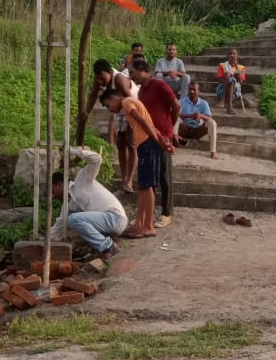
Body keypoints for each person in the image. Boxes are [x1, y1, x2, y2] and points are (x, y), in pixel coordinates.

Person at [102, 90, 173, 238]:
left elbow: (143, 122)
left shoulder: (127, 102)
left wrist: (156, 141)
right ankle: (139, 224)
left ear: (113, 98)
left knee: (147, 186)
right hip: (145, 144)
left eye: (107, 105)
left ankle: (148, 225)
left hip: (147, 144)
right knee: (143, 186)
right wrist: (161, 139)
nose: (109, 109)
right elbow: (150, 124)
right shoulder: (131, 102)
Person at [50, 146, 128, 256]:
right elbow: (59, 225)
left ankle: (108, 247)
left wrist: (73, 151)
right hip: (108, 224)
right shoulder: (70, 204)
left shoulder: (82, 179)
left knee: (73, 219)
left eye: (53, 191)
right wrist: (44, 240)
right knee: (71, 218)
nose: (52, 196)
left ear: (59, 184)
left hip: (115, 218)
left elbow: (97, 159)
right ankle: (105, 246)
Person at [131, 58, 179, 228]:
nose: (131, 76)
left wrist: (169, 128)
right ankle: (149, 215)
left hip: (163, 136)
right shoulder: (141, 91)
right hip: (148, 137)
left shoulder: (159, 85)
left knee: (164, 175)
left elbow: (176, 106)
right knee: (151, 177)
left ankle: (166, 212)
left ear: (142, 70)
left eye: (133, 72)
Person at [176, 82, 218, 159]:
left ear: (199, 91)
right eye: (190, 89)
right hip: (184, 129)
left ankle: (213, 151)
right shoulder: (181, 102)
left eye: (194, 90)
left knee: (212, 123)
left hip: (198, 130)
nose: (191, 91)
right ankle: (173, 144)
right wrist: (189, 116)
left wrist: (201, 116)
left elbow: (210, 118)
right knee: (176, 119)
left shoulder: (204, 103)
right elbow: (175, 115)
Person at [216, 49, 247, 115]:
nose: (232, 55)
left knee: (232, 80)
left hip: (235, 91)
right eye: (230, 53)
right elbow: (219, 79)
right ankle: (228, 104)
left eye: (234, 53)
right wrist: (229, 76)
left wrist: (236, 74)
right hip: (222, 89)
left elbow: (241, 83)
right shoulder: (222, 65)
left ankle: (224, 101)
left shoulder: (241, 68)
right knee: (228, 75)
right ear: (228, 55)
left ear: (237, 55)